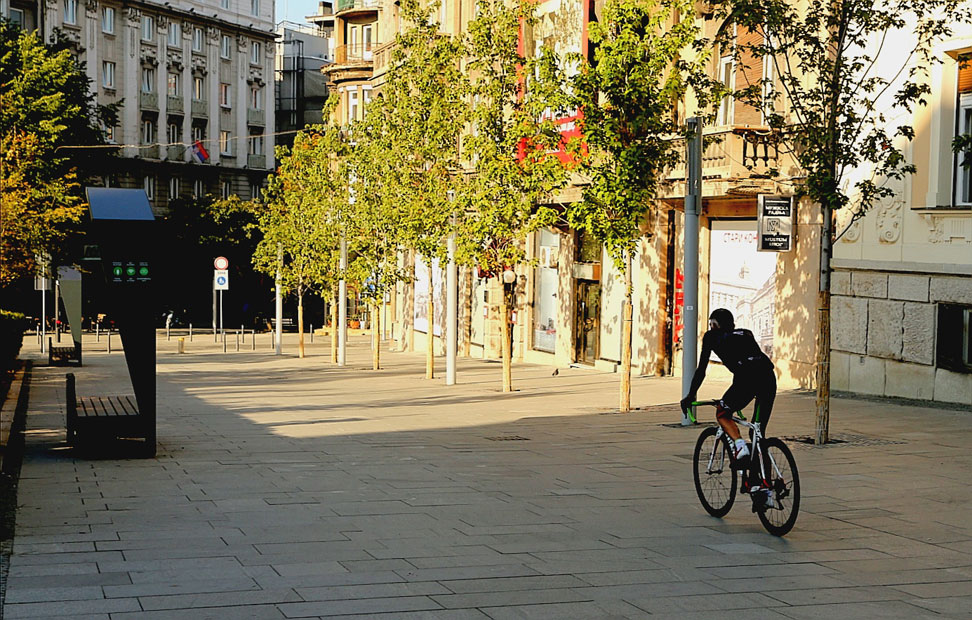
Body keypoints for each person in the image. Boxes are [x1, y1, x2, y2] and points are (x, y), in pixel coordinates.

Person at [680, 308, 776, 470]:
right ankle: (763, 484)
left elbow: (701, 370)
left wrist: (690, 395)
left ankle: (740, 446)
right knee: (757, 434)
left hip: (747, 380)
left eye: (711, 324)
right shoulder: (746, 333)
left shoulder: (711, 336)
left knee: (722, 412)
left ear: (714, 325)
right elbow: (746, 359)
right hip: (768, 378)